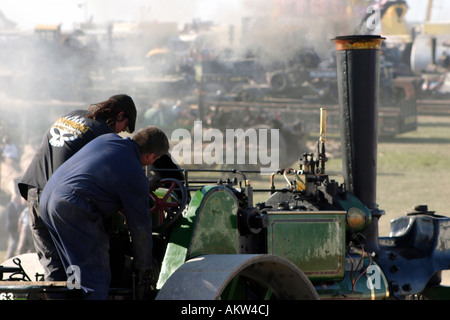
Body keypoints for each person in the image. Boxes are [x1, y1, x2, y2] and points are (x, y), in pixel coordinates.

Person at [39, 126, 169, 300]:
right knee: (95, 279)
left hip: (47, 199)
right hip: (73, 206)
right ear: (151, 156)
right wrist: (143, 265)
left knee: (72, 274)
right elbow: (140, 227)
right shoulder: (135, 175)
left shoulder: (107, 139)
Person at [18, 94, 137, 281]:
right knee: (81, 264)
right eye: (125, 127)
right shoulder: (104, 134)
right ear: (121, 115)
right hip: (60, 200)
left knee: (53, 265)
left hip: (33, 190)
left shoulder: (72, 115)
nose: (121, 132)